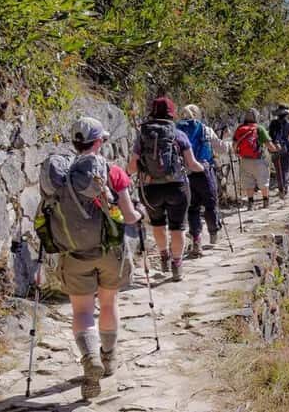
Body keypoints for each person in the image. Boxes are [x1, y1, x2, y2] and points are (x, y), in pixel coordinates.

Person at [57, 117, 143, 400]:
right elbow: (128, 216)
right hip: (110, 251)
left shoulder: (60, 174)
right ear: (98, 142)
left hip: (74, 251)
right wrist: (139, 214)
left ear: (75, 143)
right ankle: (108, 356)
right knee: (108, 302)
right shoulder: (113, 172)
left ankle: (90, 357)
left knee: (82, 310)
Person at [127, 97, 205, 282]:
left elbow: (132, 167)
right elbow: (191, 164)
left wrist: (127, 173)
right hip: (177, 187)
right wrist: (204, 168)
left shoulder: (142, 136)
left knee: (158, 224)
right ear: (172, 113)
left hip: (150, 189)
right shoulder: (178, 135)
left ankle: (164, 256)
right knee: (178, 227)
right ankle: (177, 265)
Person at [176, 104, 220, 257]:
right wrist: (228, 147)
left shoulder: (176, 131)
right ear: (197, 114)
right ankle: (213, 233)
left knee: (192, 208)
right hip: (203, 170)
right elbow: (220, 147)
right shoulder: (205, 129)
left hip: (185, 173)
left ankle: (197, 241)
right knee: (210, 204)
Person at [234, 108, 279, 210]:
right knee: (263, 181)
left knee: (249, 182)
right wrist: (275, 150)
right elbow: (269, 144)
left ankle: (250, 204)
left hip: (245, 160)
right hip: (259, 159)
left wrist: (236, 152)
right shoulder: (259, 128)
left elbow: (234, 144)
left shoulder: (240, 128)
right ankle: (265, 202)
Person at [269, 104, 289, 198]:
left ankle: (281, 189)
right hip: (286, 148)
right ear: (287, 114)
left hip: (275, 148)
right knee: (285, 169)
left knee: (278, 169)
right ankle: (285, 187)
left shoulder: (273, 123)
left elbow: (270, 136)